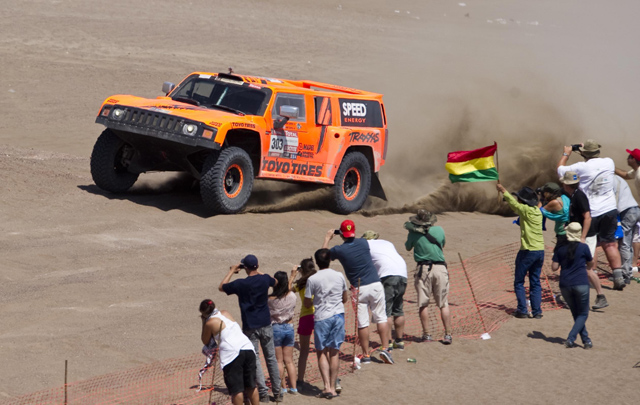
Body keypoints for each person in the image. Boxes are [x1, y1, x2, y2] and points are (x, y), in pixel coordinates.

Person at [322, 220, 394, 364]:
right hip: (375, 284)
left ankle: (366, 355)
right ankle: (385, 348)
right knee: (381, 317)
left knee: (363, 323)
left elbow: (323, 257)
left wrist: (327, 239)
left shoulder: (338, 250)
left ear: (341, 234)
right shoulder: (363, 243)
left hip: (359, 288)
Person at [557, 140, 625, 290]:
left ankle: (591, 274)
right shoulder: (609, 162)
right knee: (610, 243)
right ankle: (618, 277)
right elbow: (595, 163)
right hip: (610, 209)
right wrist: (584, 151)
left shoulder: (581, 167)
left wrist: (566, 154)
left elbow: (560, 170)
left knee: (591, 245)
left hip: (591, 212)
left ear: (584, 153)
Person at [219, 255, 282, 403]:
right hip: (266, 324)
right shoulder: (265, 279)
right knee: (271, 358)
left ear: (244, 267)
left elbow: (222, 287)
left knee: (257, 361)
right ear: (256, 265)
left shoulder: (241, 283)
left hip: (250, 326)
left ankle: (263, 394)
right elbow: (276, 281)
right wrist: (259, 271)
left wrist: (232, 271)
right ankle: (278, 393)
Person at [304, 248, 349, 399]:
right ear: (330, 260)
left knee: (321, 352)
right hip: (338, 315)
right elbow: (345, 298)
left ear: (316, 262)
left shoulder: (313, 279)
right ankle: (333, 388)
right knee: (334, 351)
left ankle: (327, 387)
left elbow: (307, 302)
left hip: (322, 317)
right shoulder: (339, 275)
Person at [559, 171, 608, 309]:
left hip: (586, 236)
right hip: (580, 234)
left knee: (586, 268)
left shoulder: (579, 196)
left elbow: (588, 217)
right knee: (577, 266)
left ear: (567, 184)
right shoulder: (573, 195)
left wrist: (582, 237)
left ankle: (600, 296)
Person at [496, 185, 545, 319]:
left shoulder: (525, 210)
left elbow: (513, 204)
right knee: (535, 282)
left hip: (528, 251)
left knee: (519, 282)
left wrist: (503, 190)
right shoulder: (537, 211)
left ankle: (522, 310)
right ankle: (537, 312)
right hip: (540, 250)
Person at [404, 209, 452, 344]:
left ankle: (427, 335)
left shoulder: (413, 233)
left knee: (423, 304)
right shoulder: (440, 230)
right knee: (443, 304)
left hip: (423, 269)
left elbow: (408, 247)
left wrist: (412, 233)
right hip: (440, 268)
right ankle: (448, 334)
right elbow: (442, 244)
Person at [199, 299, 259, 405]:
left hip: (232, 354)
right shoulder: (225, 313)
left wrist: (204, 321)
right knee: (251, 386)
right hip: (247, 347)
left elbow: (205, 340)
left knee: (237, 390)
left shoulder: (210, 322)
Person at [361, 230, 408, 350]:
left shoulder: (366, 246)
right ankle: (400, 341)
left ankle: (388, 342)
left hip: (388, 276)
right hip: (403, 274)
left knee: (385, 312)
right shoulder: (387, 243)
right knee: (398, 309)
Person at [551, 223, 594, 349]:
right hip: (581, 283)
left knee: (576, 313)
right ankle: (571, 338)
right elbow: (590, 264)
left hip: (565, 284)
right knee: (583, 313)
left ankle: (586, 340)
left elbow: (554, 268)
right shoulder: (584, 247)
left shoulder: (560, 248)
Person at [268, 271, 298, 396]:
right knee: (289, 361)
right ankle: (294, 387)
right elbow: (289, 289)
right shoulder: (292, 296)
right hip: (289, 327)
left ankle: (283, 387)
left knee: (279, 361)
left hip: (276, 328)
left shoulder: (269, 300)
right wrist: (291, 277)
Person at [290, 258, 316, 388]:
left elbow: (288, 290)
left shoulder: (300, 283)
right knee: (325, 349)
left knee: (304, 351)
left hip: (306, 317)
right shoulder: (318, 279)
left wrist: (293, 275)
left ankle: (300, 380)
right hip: (321, 316)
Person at [615, 148, 640, 271]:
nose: (627, 158)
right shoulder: (636, 171)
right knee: (636, 234)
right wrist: (611, 167)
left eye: (629, 156)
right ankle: (633, 263)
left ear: (633, 160)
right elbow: (625, 175)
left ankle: (632, 264)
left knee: (634, 235)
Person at [613, 175, 640, 285]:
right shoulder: (619, 179)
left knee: (624, 243)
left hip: (627, 212)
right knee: (628, 243)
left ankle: (625, 274)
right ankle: (628, 270)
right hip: (635, 209)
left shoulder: (610, 180)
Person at [538, 182, 570, 248]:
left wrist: (540, 200)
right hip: (568, 231)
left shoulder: (554, 203)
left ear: (549, 193)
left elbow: (539, 211)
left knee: (559, 255)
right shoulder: (564, 197)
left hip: (562, 233)